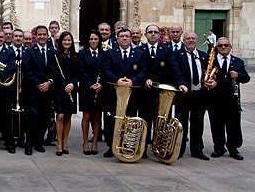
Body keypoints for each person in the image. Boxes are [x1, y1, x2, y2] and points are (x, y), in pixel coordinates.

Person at [101, 28, 147, 158]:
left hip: (132, 93)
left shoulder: (139, 53)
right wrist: (116, 80)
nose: (125, 38)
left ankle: (127, 146)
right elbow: (106, 69)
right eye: (122, 36)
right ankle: (112, 147)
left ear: (131, 38)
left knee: (130, 119)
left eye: (127, 36)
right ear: (117, 38)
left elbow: (143, 71)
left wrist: (133, 81)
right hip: (113, 93)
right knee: (111, 120)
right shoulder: (110, 53)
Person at [138, 24, 181, 158]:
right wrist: (145, 79)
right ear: (145, 35)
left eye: (155, 32)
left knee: (161, 122)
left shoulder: (167, 51)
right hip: (145, 93)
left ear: (159, 35)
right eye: (150, 32)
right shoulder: (140, 50)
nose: (153, 34)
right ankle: (143, 149)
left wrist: (181, 83)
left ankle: (159, 148)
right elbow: (139, 69)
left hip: (162, 93)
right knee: (145, 121)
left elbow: (174, 69)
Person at [208, 37, 250, 160]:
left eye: (226, 45)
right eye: (220, 45)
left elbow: (246, 78)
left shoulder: (238, 62)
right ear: (217, 48)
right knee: (216, 125)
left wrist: (238, 75)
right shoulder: (210, 61)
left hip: (232, 100)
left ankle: (233, 148)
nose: (223, 47)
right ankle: (219, 147)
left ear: (230, 47)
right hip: (215, 99)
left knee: (233, 125)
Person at [175, 32, 214, 160]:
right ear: (184, 41)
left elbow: (212, 72)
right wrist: (181, 83)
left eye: (193, 38)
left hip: (200, 95)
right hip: (184, 95)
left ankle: (197, 150)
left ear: (196, 41)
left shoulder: (204, 56)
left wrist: (212, 81)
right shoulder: (177, 55)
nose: (190, 40)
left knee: (198, 124)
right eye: (188, 38)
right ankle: (179, 150)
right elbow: (176, 73)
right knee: (182, 124)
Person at [22, 25, 59, 155]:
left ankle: (38, 143)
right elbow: (27, 71)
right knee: (32, 118)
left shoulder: (52, 52)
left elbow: (55, 71)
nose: (42, 37)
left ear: (47, 36)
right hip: (33, 90)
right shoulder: (29, 52)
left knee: (44, 118)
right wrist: (38, 84)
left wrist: (49, 83)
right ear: (35, 36)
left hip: (47, 91)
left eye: (44, 34)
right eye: (40, 35)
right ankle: (29, 144)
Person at [77, 30, 104, 155]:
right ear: (88, 41)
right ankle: (85, 143)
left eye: (95, 39)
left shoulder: (104, 54)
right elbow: (81, 71)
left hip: (99, 89)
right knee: (86, 116)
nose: (93, 41)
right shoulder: (82, 53)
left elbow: (106, 70)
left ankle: (95, 143)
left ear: (99, 40)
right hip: (86, 89)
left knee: (97, 117)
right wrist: (90, 85)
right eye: (91, 39)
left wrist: (100, 84)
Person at [53, 31, 78, 156]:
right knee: (60, 115)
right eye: (64, 40)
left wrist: (73, 84)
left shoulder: (75, 56)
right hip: (59, 89)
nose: (67, 42)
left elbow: (77, 73)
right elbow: (53, 72)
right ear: (60, 42)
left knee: (68, 116)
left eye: (69, 40)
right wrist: (62, 85)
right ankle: (58, 143)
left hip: (71, 89)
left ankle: (65, 142)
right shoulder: (55, 55)